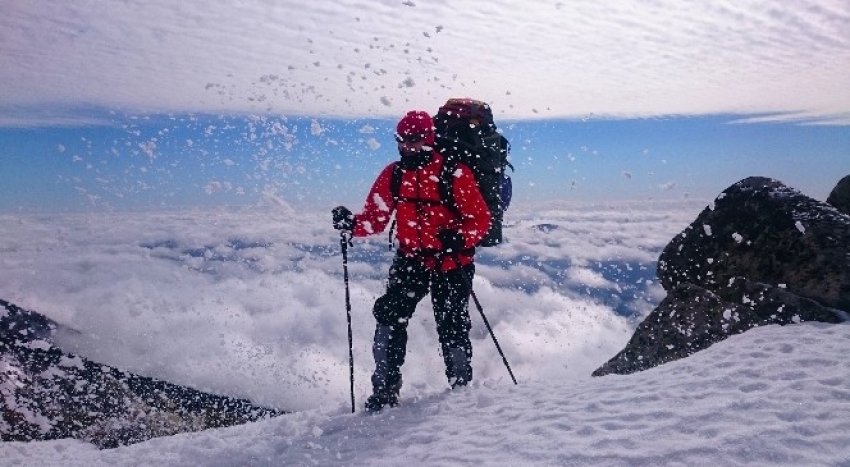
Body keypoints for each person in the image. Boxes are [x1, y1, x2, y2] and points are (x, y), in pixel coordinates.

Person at [332, 110, 492, 412]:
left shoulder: (454, 173)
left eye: (415, 141)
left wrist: (459, 237)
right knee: (389, 314)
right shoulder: (394, 174)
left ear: (430, 138)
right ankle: (384, 391)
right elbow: (377, 219)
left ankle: (461, 387)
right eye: (403, 141)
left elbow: (480, 220)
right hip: (411, 260)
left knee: (452, 323)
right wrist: (351, 224)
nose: (408, 147)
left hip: (451, 261)